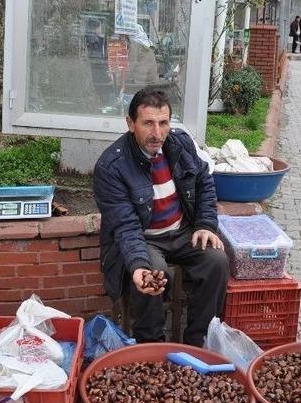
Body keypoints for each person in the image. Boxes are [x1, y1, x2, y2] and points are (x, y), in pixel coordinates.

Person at [93, 88, 229, 347]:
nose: (157, 133)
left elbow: (204, 181)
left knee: (217, 261)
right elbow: (125, 225)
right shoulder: (111, 167)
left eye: (163, 122)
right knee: (151, 275)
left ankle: (198, 342)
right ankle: (151, 345)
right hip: (145, 238)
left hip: (181, 231)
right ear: (131, 124)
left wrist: (206, 224)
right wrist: (137, 264)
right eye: (148, 123)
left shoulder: (179, 144)